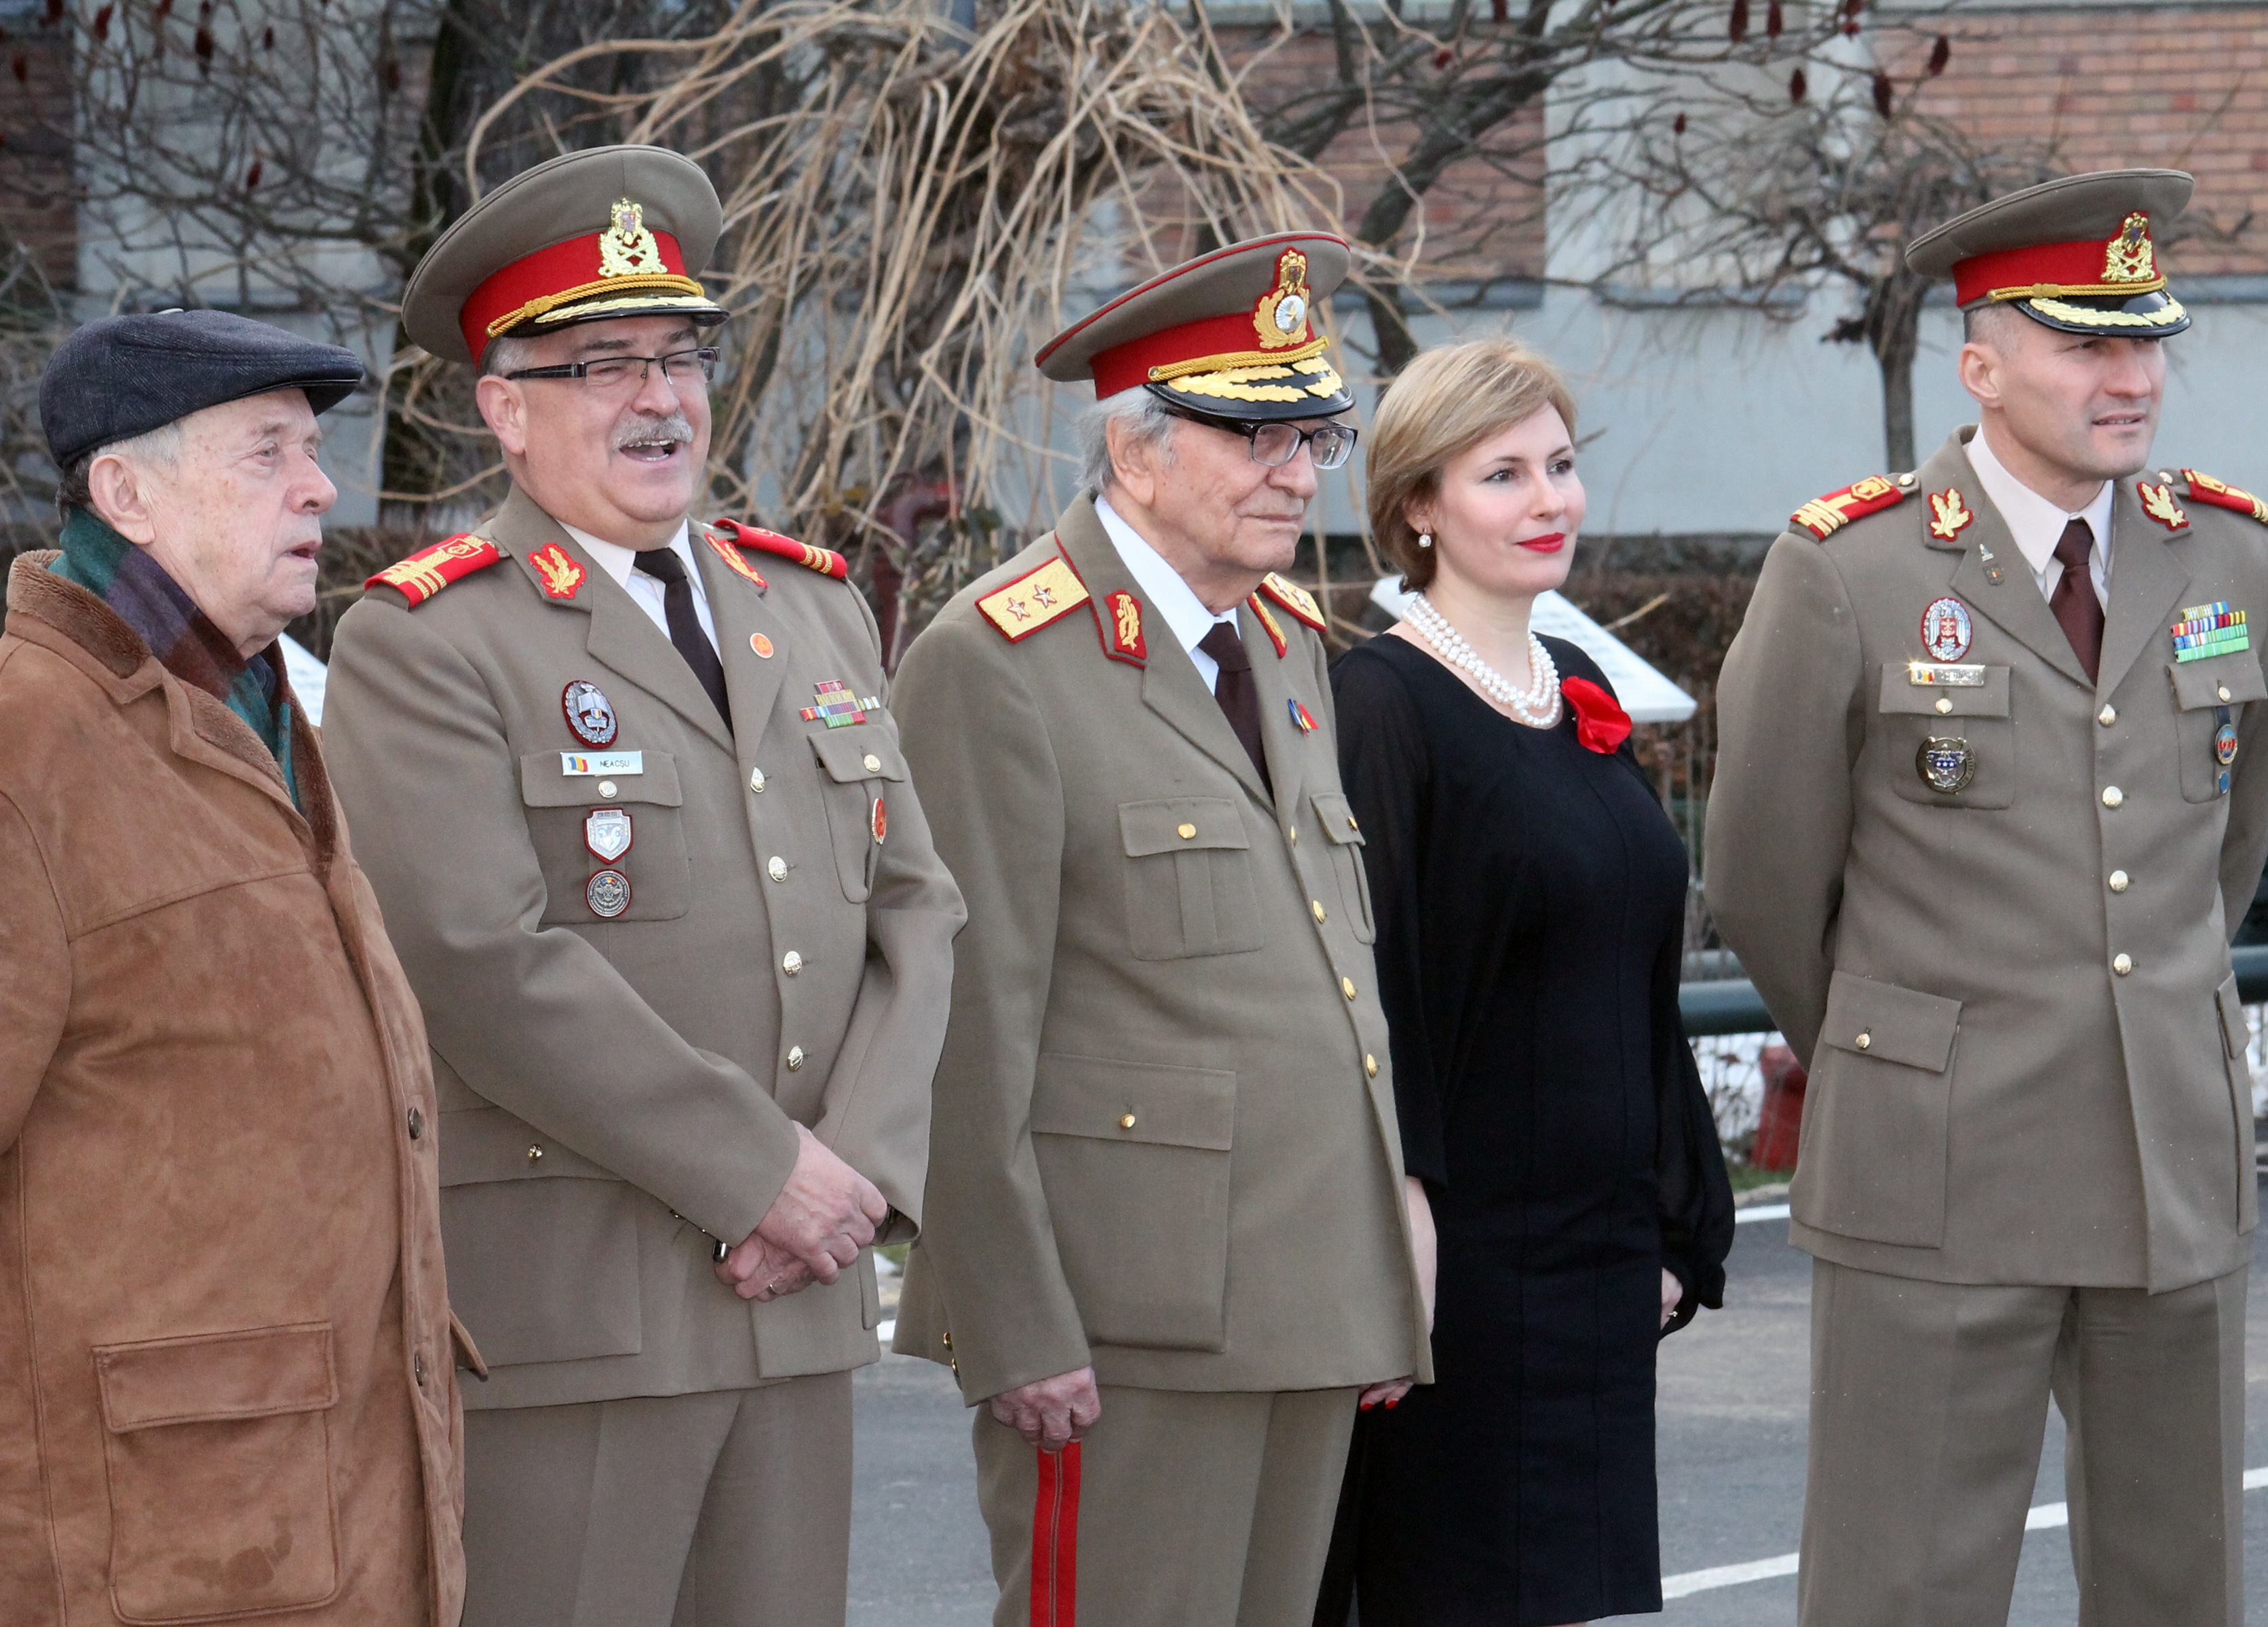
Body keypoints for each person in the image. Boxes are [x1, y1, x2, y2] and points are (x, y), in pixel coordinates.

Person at [318, 145, 964, 1627]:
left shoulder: (805, 606)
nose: (658, 396)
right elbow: (481, 958)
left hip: (799, 1301)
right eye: (600, 363)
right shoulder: (431, 640)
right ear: (504, 406)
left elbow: (916, 908)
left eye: (678, 355)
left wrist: (852, 1177)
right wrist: (762, 1175)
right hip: (577, 1311)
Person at [1706, 168, 2268, 1627]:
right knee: (1902, 1584)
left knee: (2182, 1581)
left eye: (2148, 341)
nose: (2132, 376)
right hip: (1939, 1171)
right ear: (1980, 364)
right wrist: (1900, 1046)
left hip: (2171, 1162)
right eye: (2087, 343)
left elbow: (2228, 844)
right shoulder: (1850, 565)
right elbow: (1767, 878)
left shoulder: (2229, 550)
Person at [887, 232, 1433, 1627]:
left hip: (1304, 1289)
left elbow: (1327, 971)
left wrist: (1375, 1257)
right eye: (1252, 435)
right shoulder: (997, 659)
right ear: (1136, 452)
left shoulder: (1290, 640)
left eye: (1310, 434)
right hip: (1121, 1314)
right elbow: (963, 1020)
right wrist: (1010, 1317)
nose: (1299, 473)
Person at [0, 310, 466, 1625]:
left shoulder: (257, 705)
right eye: (266, 451)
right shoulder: (29, 748)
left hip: (314, 1513)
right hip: (145, 1554)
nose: (320, 485)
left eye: (313, 450)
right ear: (125, 491)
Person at [1311, 338, 1734, 1627]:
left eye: (1558, 465)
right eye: (1501, 474)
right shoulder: (1377, 700)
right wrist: (1405, 1222)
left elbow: (1632, 972)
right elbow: (1375, 987)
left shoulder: (1581, 687)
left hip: (1598, 1254)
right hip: (1466, 1263)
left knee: (1560, 1598)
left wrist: (1673, 1218)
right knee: (1452, 1590)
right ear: (1418, 506)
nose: (1548, 500)